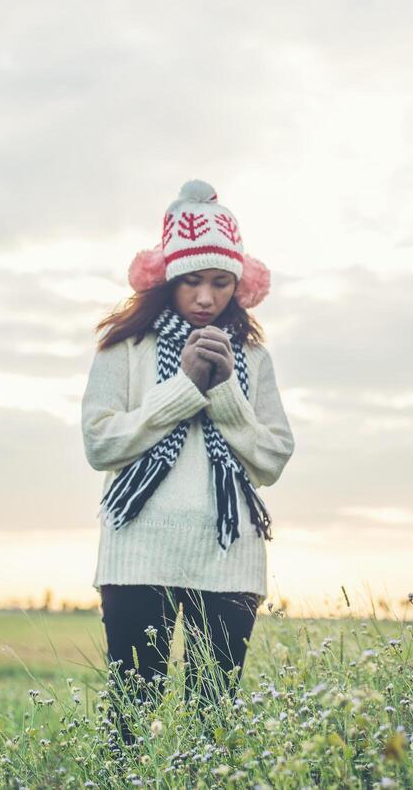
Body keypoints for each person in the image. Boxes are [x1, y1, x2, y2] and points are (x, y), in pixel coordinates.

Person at [81, 178, 295, 747]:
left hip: (230, 555)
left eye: (220, 282)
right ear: (166, 279)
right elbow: (100, 445)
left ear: (239, 284)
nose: (205, 297)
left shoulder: (252, 356)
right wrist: (183, 389)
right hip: (139, 551)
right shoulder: (123, 349)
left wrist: (223, 391)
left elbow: (272, 457)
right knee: (130, 723)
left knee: (212, 725)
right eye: (192, 281)